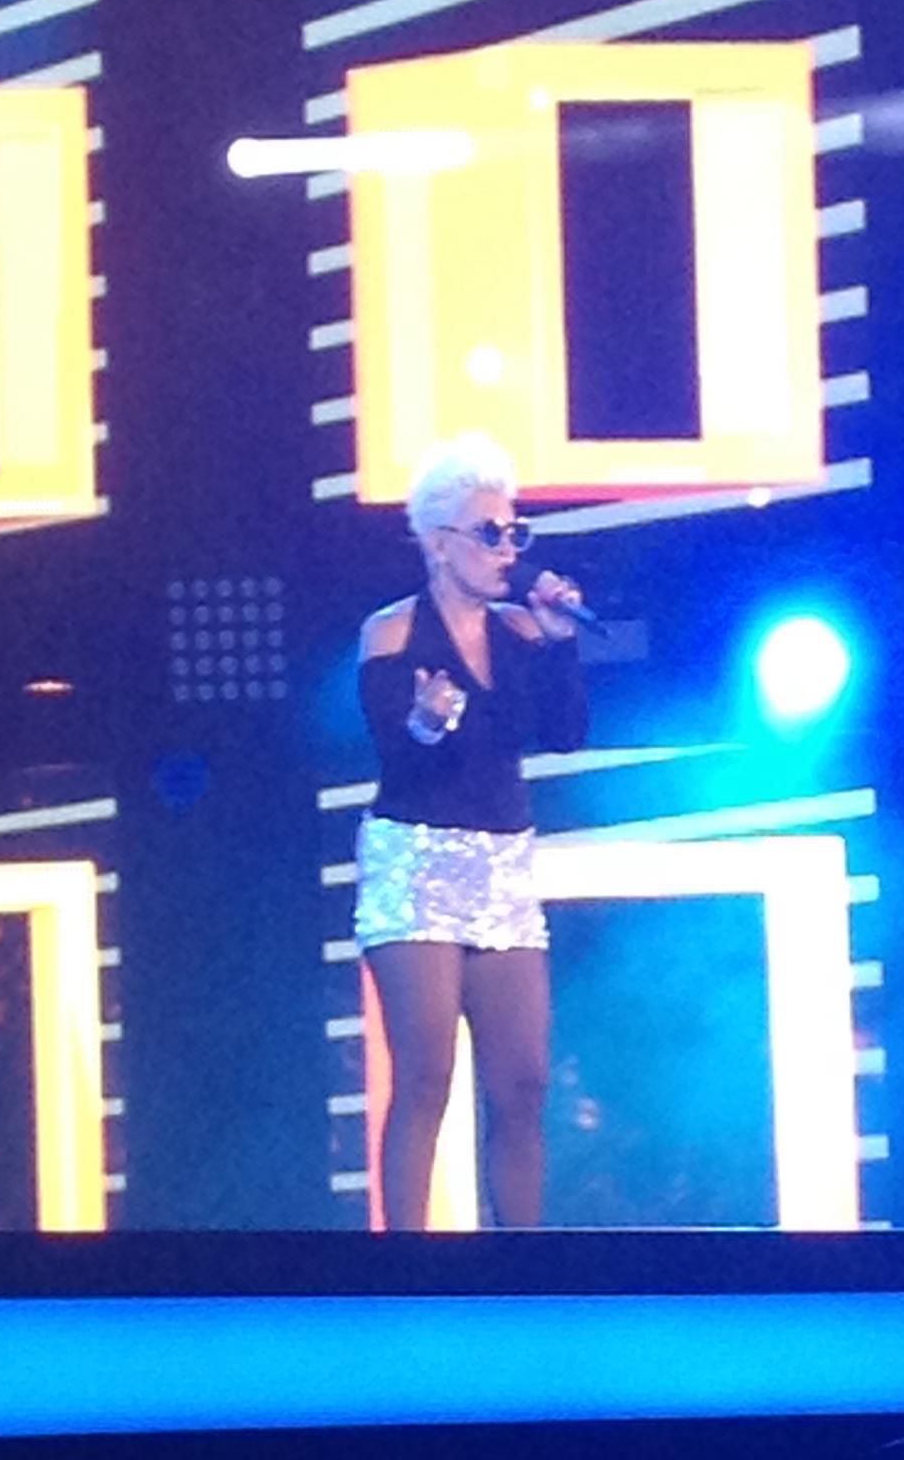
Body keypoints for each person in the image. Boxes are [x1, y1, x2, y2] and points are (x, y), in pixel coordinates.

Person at [355, 432, 589, 1230]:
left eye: (514, 532)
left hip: (502, 868)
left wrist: (560, 645)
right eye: (489, 533)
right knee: (426, 1078)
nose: (506, 549)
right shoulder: (392, 633)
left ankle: (522, 1266)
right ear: (437, 541)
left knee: (523, 1084)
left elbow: (566, 735)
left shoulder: (521, 633)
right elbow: (398, 753)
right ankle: (405, 1270)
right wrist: (425, 721)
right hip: (418, 860)